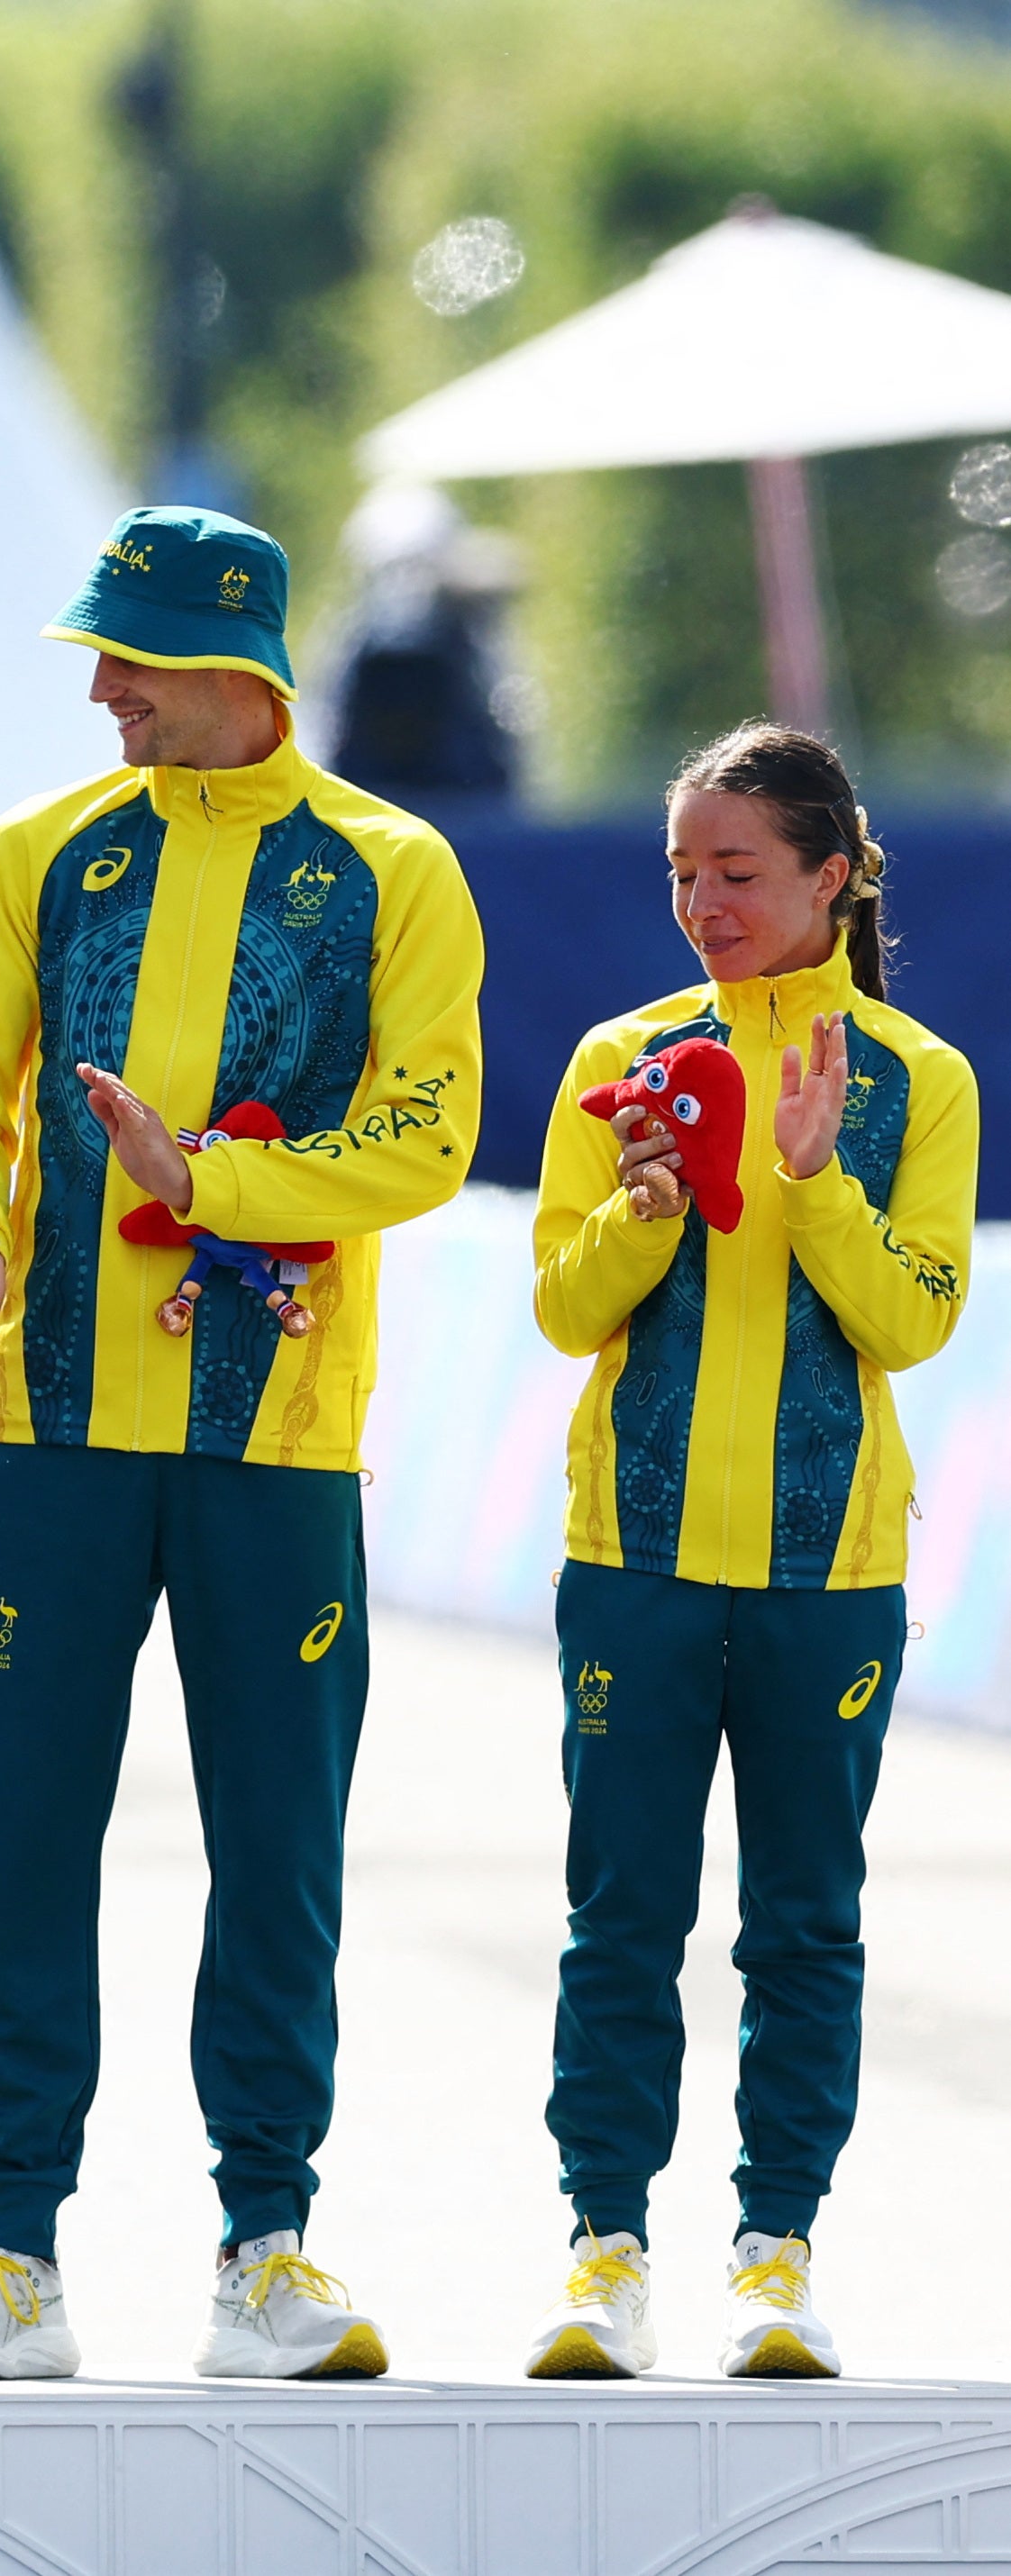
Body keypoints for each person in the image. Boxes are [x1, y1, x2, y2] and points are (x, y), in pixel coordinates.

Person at [0, 510, 484, 2382]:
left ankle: (269, 2244)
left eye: (127, 654)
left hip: (278, 1443)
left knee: (277, 1849)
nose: (99, 687)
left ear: (244, 663)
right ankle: (5, 2245)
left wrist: (203, 1178)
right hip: (50, 1429)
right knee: (21, 1836)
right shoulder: (34, 858)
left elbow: (427, 1136)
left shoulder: (395, 868)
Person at [516, 727, 972, 2382]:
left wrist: (806, 1180)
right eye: (679, 874)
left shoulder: (917, 1078)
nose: (700, 903)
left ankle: (774, 2252)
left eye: (737, 872)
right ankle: (602, 2252)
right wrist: (645, 1202)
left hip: (827, 1568)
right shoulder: (616, 1055)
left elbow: (914, 1322)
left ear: (830, 878)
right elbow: (564, 1308)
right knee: (618, 1915)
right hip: (629, 1555)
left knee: (803, 1922)